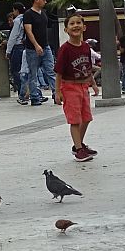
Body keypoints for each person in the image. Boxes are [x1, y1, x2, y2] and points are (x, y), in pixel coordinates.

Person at [53, 14, 100, 161]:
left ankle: (78, 145)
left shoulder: (86, 47)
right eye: (72, 24)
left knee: (86, 118)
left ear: (84, 27)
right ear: (66, 30)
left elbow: (87, 67)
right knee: (75, 120)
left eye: (78, 23)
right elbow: (59, 72)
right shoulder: (65, 49)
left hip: (83, 86)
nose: (75, 26)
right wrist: (58, 91)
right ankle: (79, 149)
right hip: (69, 87)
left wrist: (93, 83)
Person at [22, 0, 52, 106]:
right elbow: (28, 31)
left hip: (46, 46)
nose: (45, 2)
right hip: (32, 49)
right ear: (36, 0)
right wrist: (36, 45)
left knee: (50, 70)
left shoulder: (44, 13)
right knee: (33, 73)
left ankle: (56, 93)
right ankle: (34, 96)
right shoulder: (28, 14)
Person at [5, 4, 29, 104]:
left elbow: (13, 37)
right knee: (26, 70)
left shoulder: (18, 21)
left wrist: (8, 51)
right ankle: (29, 92)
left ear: (16, 10)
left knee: (16, 71)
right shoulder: (28, 19)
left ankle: (21, 92)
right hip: (26, 47)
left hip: (17, 47)